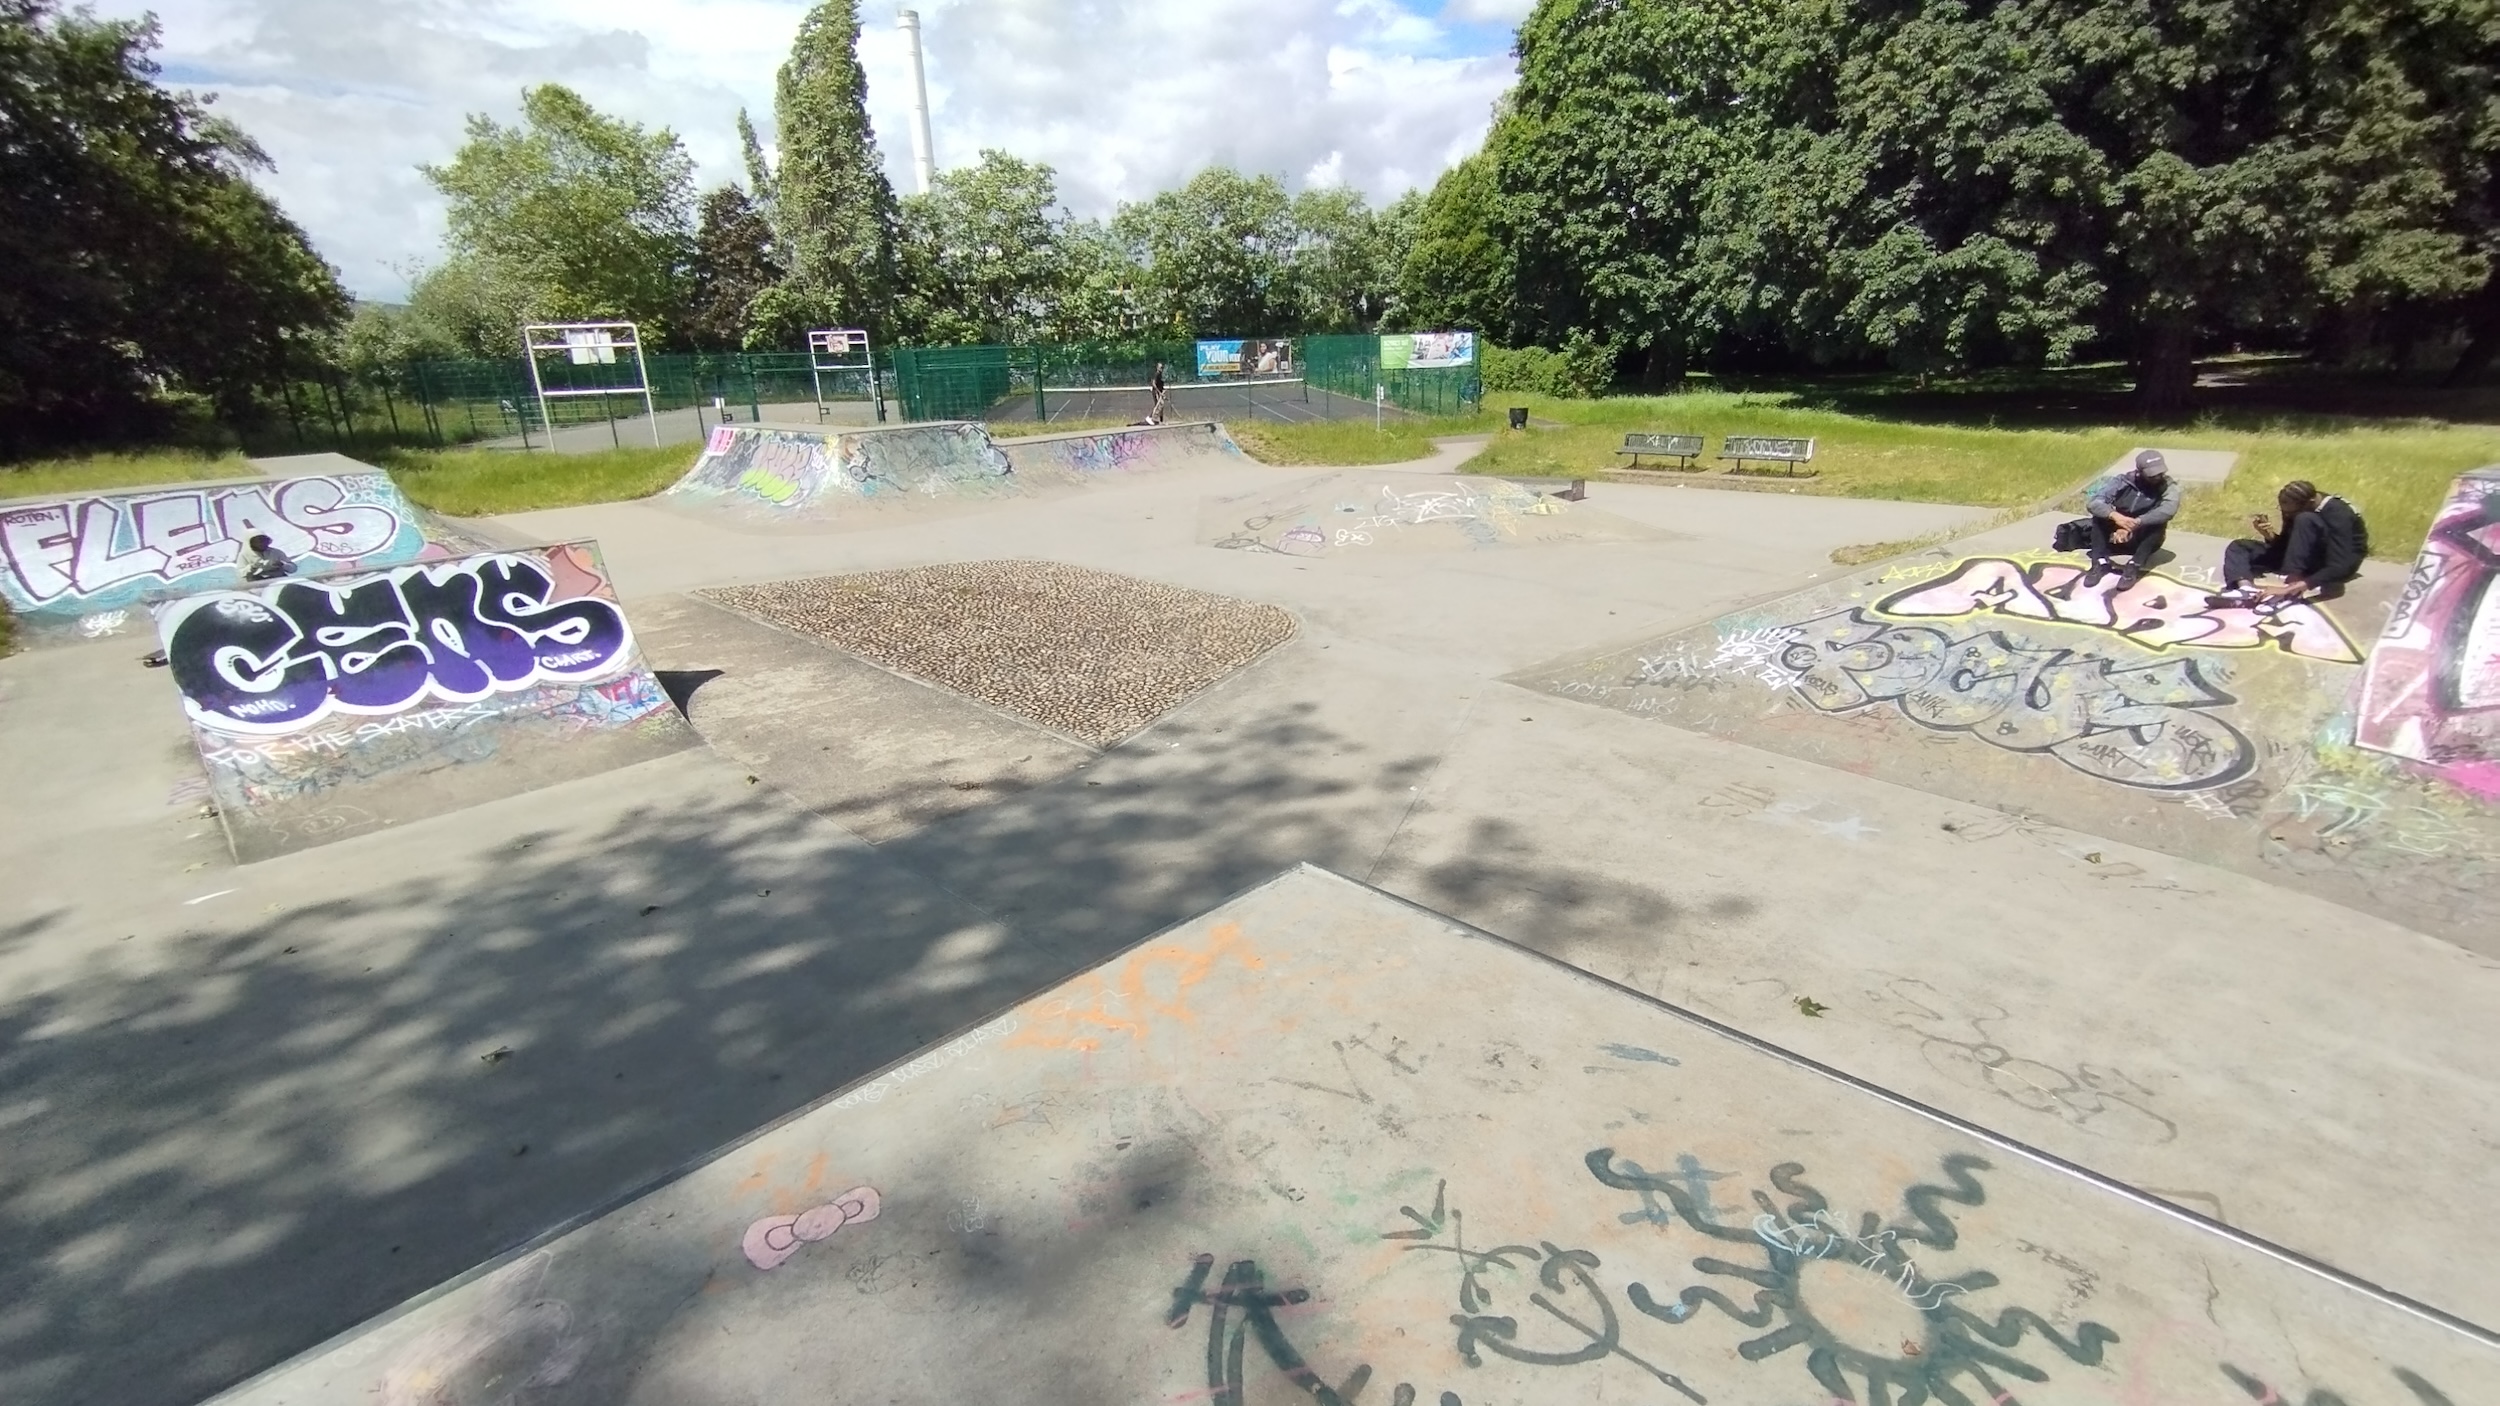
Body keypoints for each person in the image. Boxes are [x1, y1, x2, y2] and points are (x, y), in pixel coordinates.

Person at [2207, 481, 2367, 609]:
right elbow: (2289, 546)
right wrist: (2269, 536)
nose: (2287, 516)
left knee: (2305, 520)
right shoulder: (2299, 508)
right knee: (2241, 546)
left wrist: (2292, 587)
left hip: (2334, 563)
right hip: (2307, 559)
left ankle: (2291, 591)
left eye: (2290, 513)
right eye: (2284, 512)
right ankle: (2245, 590)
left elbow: (2342, 565)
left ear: (2310, 503)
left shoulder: (2339, 513)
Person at [2081, 449, 2181, 587]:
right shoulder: (2122, 481)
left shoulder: (2168, 486)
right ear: (2139, 472)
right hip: (2116, 535)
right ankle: (2099, 563)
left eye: (2160, 473)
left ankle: (2134, 565)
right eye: (2152, 475)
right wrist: (2115, 516)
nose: (2157, 478)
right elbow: (2094, 503)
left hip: (2143, 535)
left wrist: (2139, 522)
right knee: (2099, 517)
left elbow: (2169, 509)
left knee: (2159, 522)